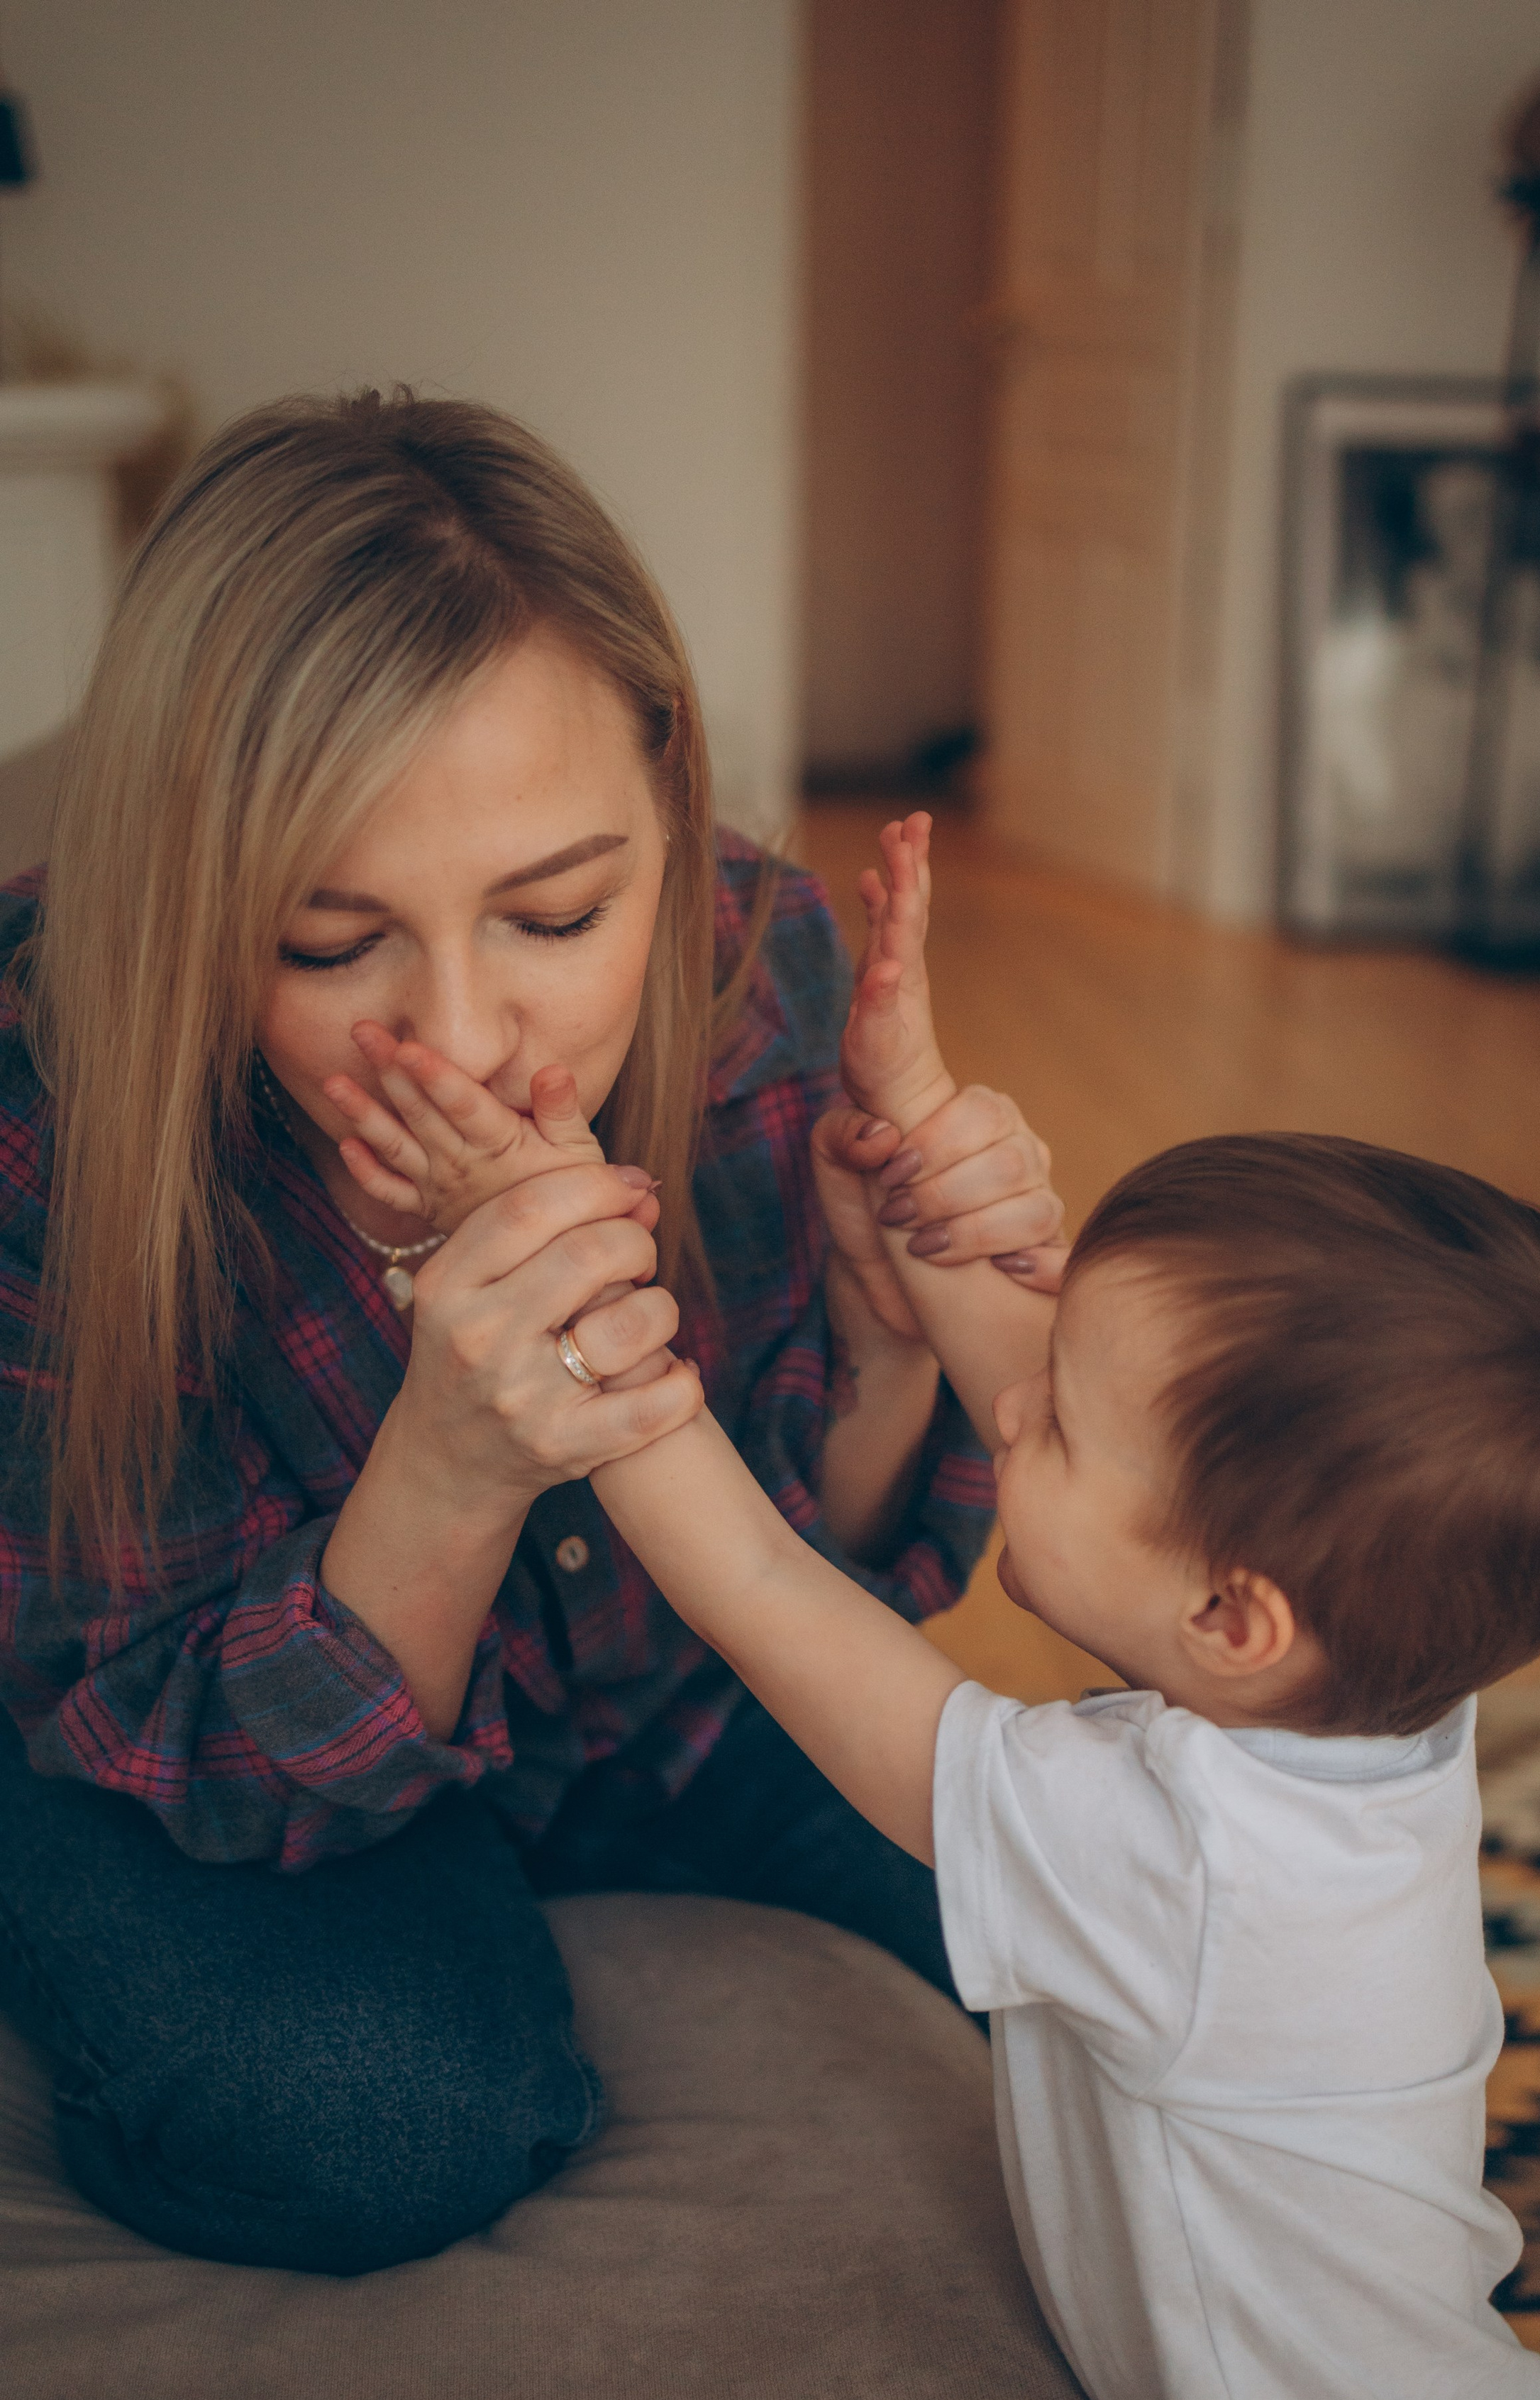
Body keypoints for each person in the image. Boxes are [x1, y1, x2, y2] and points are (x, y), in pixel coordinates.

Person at [349, 812, 1540, 2400]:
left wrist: (554, 1279)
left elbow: (777, 1590)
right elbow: (1059, 1359)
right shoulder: (1378, 1710)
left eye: (1046, 1429)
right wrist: (912, 1116)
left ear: (1231, 1616)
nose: (1003, 1399)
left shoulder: (1161, 1865)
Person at [0, 390, 1068, 2278]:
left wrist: (887, 1340)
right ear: (187, 889)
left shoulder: (766, 954)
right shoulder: (47, 1099)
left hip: (665, 1710)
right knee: (377, 2119)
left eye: (557, 911)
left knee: (1110, 1984)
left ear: (668, 799)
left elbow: (833, 1596)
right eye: (332, 948)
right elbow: (197, 1746)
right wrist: (451, 1466)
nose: (475, 1034)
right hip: (198, 1751)